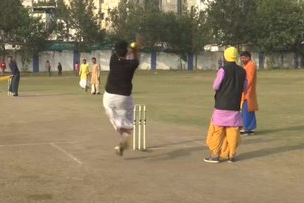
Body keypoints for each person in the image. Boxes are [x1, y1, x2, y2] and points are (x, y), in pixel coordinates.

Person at [203, 47, 247, 163]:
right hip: (235, 106)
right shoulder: (242, 71)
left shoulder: (223, 70)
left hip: (221, 105)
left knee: (217, 130)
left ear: (226, 56)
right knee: (233, 131)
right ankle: (231, 155)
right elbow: (245, 88)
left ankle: (215, 155)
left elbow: (216, 86)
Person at [103, 40, 140, 156]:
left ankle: (120, 129)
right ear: (127, 51)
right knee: (128, 121)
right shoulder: (132, 65)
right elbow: (135, 58)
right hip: (124, 97)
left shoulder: (113, 59)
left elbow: (120, 53)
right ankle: (124, 138)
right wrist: (135, 49)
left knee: (114, 116)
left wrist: (129, 49)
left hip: (109, 96)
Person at [240, 51, 258, 135]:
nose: (242, 60)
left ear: (248, 57)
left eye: (244, 58)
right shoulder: (247, 66)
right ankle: (248, 128)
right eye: (241, 58)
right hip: (246, 92)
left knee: (247, 111)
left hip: (248, 92)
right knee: (247, 111)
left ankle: (248, 129)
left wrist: (242, 87)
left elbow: (249, 80)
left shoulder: (251, 66)